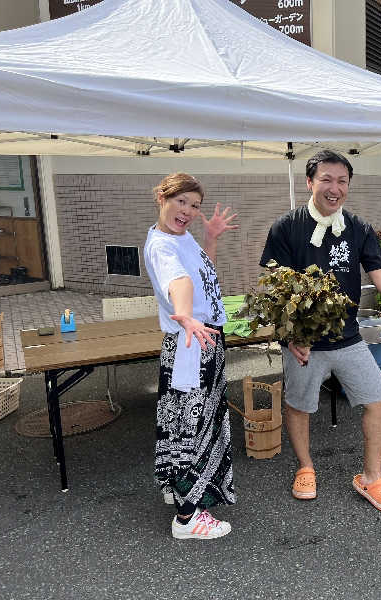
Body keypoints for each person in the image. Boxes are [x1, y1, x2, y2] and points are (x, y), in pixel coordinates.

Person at [260, 149, 381, 513]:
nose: (334, 188)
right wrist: (290, 335)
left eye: (342, 181)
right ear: (310, 182)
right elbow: (274, 285)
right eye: (326, 180)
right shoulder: (287, 227)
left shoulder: (359, 228)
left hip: (349, 338)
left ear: (349, 185)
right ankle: (305, 467)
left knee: (380, 400)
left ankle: (371, 478)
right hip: (303, 342)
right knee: (300, 406)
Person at [144, 173, 239, 538]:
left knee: (182, 421)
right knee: (193, 428)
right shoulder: (162, 247)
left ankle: (175, 489)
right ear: (162, 198)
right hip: (191, 344)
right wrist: (184, 314)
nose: (187, 211)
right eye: (181, 201)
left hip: (198, 338)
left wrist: (210, 239)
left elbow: (202, 276)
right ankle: (188, 517)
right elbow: (178, 282)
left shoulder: (180, 238)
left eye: (194, 205)